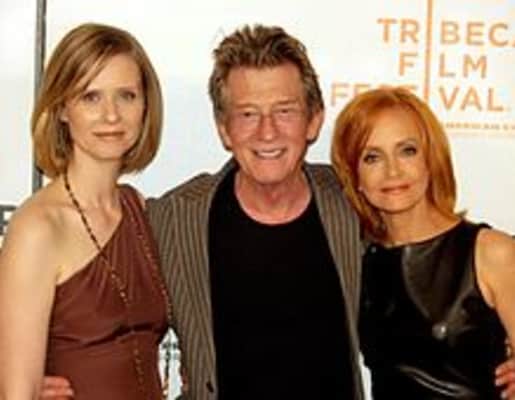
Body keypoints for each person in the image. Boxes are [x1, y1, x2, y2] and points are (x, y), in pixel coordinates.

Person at [0, 23, 171, 399]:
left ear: (146, 105)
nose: (111, 116)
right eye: (91, 97)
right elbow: (17, 392)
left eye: (126, 96)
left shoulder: (138, 209)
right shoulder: (38, 228)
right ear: (62, 108)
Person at [331, 86, 515, 399]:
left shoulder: (491, 253)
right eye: (372, 157)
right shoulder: (357, 262)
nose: (392, 171)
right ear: (355, 176)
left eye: (407, 151)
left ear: (431, 159)